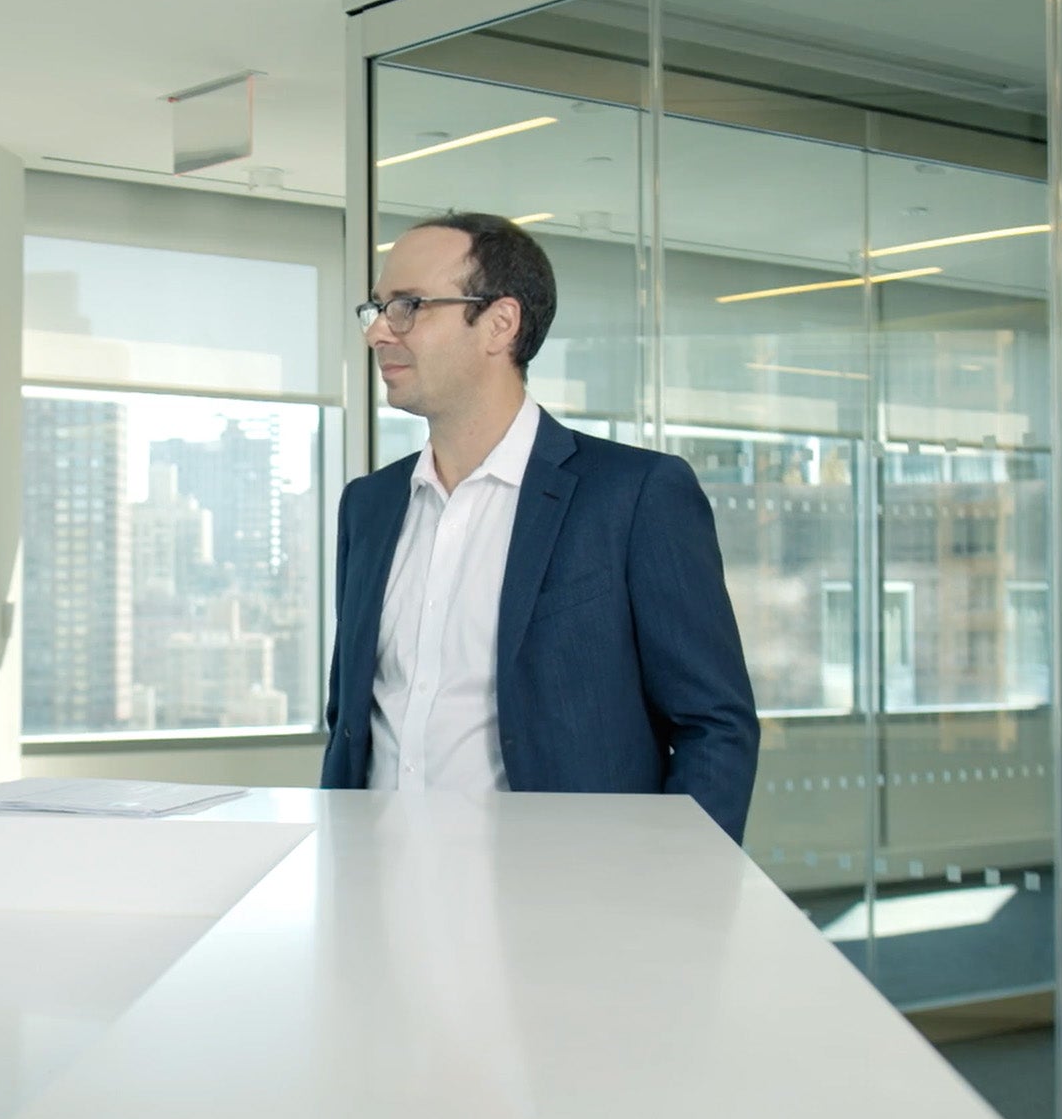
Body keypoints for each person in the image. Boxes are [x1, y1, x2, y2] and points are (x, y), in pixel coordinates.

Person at [321, 212, 759, 841]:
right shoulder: (369, 505)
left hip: (565, 901)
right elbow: (353, 722)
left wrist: (675, 896)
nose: (379, 333)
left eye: (408, 305)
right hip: (380, 890)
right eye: (378, 308)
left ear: (500, 323)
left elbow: (714, 728)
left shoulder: (634, 495)